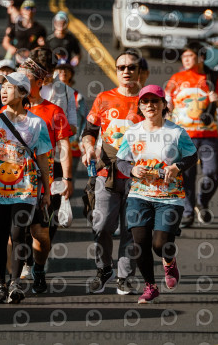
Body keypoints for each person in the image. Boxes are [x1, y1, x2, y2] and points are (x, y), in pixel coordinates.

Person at [0, 71, 52, 304]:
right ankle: (0, 285)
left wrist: (46, 191)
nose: (3, 91)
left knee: (18, 233)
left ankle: (15, 283)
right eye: (2, 87)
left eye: (9, 87)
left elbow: (43, 158)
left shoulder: (37, 123)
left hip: (26, 187)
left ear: (23, 92)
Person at [116, 85, 197, 304]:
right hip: (139, 194)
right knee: (139, 242)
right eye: (145, 101)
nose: (150, 105)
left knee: (160, 245)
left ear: (163, 105)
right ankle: (150, 286)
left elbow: (192, 156)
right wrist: (132, 170)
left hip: (170, 197)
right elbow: (121, 160)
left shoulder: (176, 132)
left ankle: (169, 261)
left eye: (155, 101)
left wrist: (177, 167)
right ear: (140, 106)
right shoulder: (132, 132)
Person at [81, 51, 144, 295]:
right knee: (102, 225)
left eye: (131, 67)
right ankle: (104, 268)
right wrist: (89, 149)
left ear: (139, 72)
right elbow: (89, 131)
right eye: (121, 67)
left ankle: (125, 277)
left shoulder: (148, 101)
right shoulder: (104, 98)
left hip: (138, 177)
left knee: (131, 229)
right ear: (116, 71)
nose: (126, 71)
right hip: (106, 173)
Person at [15, 57, 73, 291]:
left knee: (41, 234)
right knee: (15, 232)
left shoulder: (53, 111)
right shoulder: (8, 109)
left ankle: (38, 267)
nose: (19, 81)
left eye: (25, 78)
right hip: (13, 181)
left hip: (43, 180)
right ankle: (13, 279)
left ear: (39, 82)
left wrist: (67, 178)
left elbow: (64, 146)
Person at [164, 41, 218, 228]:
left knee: (214, 172)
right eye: (183, 56)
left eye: (189, 56)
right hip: (184, 137)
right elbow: (167, 104)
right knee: (186, 175)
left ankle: (202, 200)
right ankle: (188, 212)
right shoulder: (176, 78)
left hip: (208, 135)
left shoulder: (213, 77)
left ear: (200, 57)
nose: (185, 59)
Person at [54, 61, 86, 163]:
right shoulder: (47, 93)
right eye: (60, 70)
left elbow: (84, 121)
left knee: (69, 172)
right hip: (52, 146)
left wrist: (83, 141)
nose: (63, 72)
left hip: (72, 144)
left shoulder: (78, 96)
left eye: (66, 70)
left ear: (71, 74)